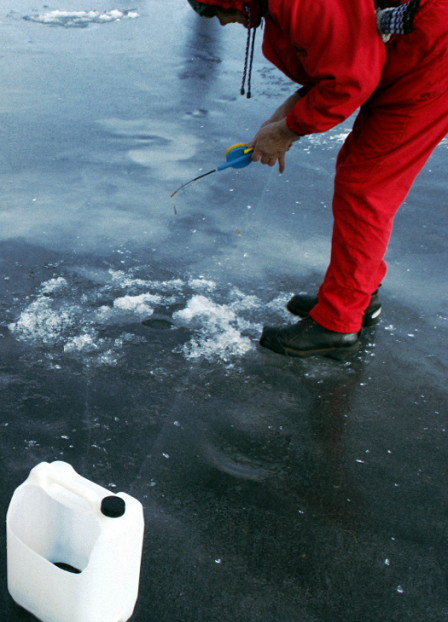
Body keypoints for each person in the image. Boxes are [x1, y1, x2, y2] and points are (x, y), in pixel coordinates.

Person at [187, 0, 448, 359]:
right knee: (360, 180)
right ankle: (357, 295)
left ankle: (337, 324)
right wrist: (288, 111)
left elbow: (350, 79)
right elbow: (341, 52)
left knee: (366, 189)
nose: (218, 21)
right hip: (404, 58)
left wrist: (289, 130)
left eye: (211, 9)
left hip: (428, 64)